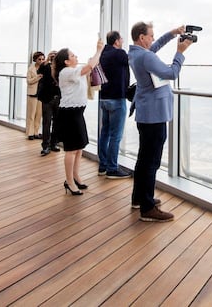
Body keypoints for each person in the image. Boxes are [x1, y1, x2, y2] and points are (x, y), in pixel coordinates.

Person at [128, 22, 192, 222]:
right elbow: (171, 73)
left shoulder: (137, 54)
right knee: (151, 162)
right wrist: (180, 52)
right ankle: (147, 209)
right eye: (151, 36)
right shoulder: (145, 56)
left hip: (146, 114)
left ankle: (139, 198)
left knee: (144, 159)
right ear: (142, 38)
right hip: (154, 116)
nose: (153, 39)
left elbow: (154, 49)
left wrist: (172, 34)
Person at [53, 39, 104, 195]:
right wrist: (99, 50)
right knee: (71, 149)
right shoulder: (66, 72)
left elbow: (90, 68)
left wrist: (93, 59)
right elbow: (89, 66)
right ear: (67, 61)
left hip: (77, 113)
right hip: (69, 114)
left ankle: (75, 176)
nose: (76, 57)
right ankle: (69, 181)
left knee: (79, 146)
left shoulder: (74, 71)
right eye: (73, 55)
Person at [97, 30, 131, 179]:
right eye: (121, 39)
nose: (122, 41)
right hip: (117, 98)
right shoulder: (120, 53)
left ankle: (103, 166)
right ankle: (112, 168)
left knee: (104, 132)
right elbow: (132, 60)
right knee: (115, 136)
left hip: (103, 97)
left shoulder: (103, 53)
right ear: (116, 41)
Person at [37, 50, 61, 155]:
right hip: (46, 99)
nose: (53, 57)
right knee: (46, 123)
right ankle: (45, 146)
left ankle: (53, 143)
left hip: (58, 98)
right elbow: (39, 72)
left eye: (55, 55)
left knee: (57, 122)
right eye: (52, 55)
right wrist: (46, 60)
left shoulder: (61, 67)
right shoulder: (45, 66)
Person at [25, 51, 45, 140]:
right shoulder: (31, 69)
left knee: (39, 114)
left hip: (41, 94)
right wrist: (38, 77)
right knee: (31, 115)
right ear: (35, 60)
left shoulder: (44, 68)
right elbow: (29, 81)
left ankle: (36, 132)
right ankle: (30, 133)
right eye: (39, 59)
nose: (41, 60)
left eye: (43, 59)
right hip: (32, 94)